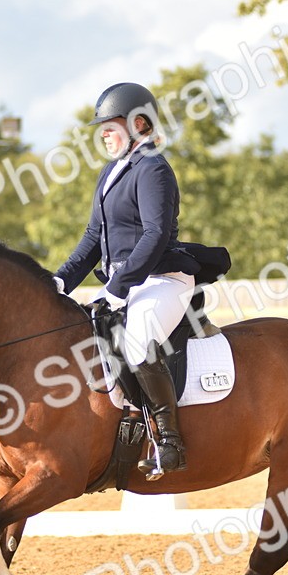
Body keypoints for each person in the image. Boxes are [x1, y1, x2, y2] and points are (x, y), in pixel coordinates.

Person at [53, 82, 200, 475]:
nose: (102, 133)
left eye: (110, 125)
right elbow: (92, 238)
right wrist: (60, 282)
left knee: (136, 345)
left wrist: (119, 289)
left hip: (162, 279)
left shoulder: (153, 168)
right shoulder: (112, 171)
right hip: (125, 282)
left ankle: (170, 441)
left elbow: (154, 234)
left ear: (138, 124)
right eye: (101, 127)